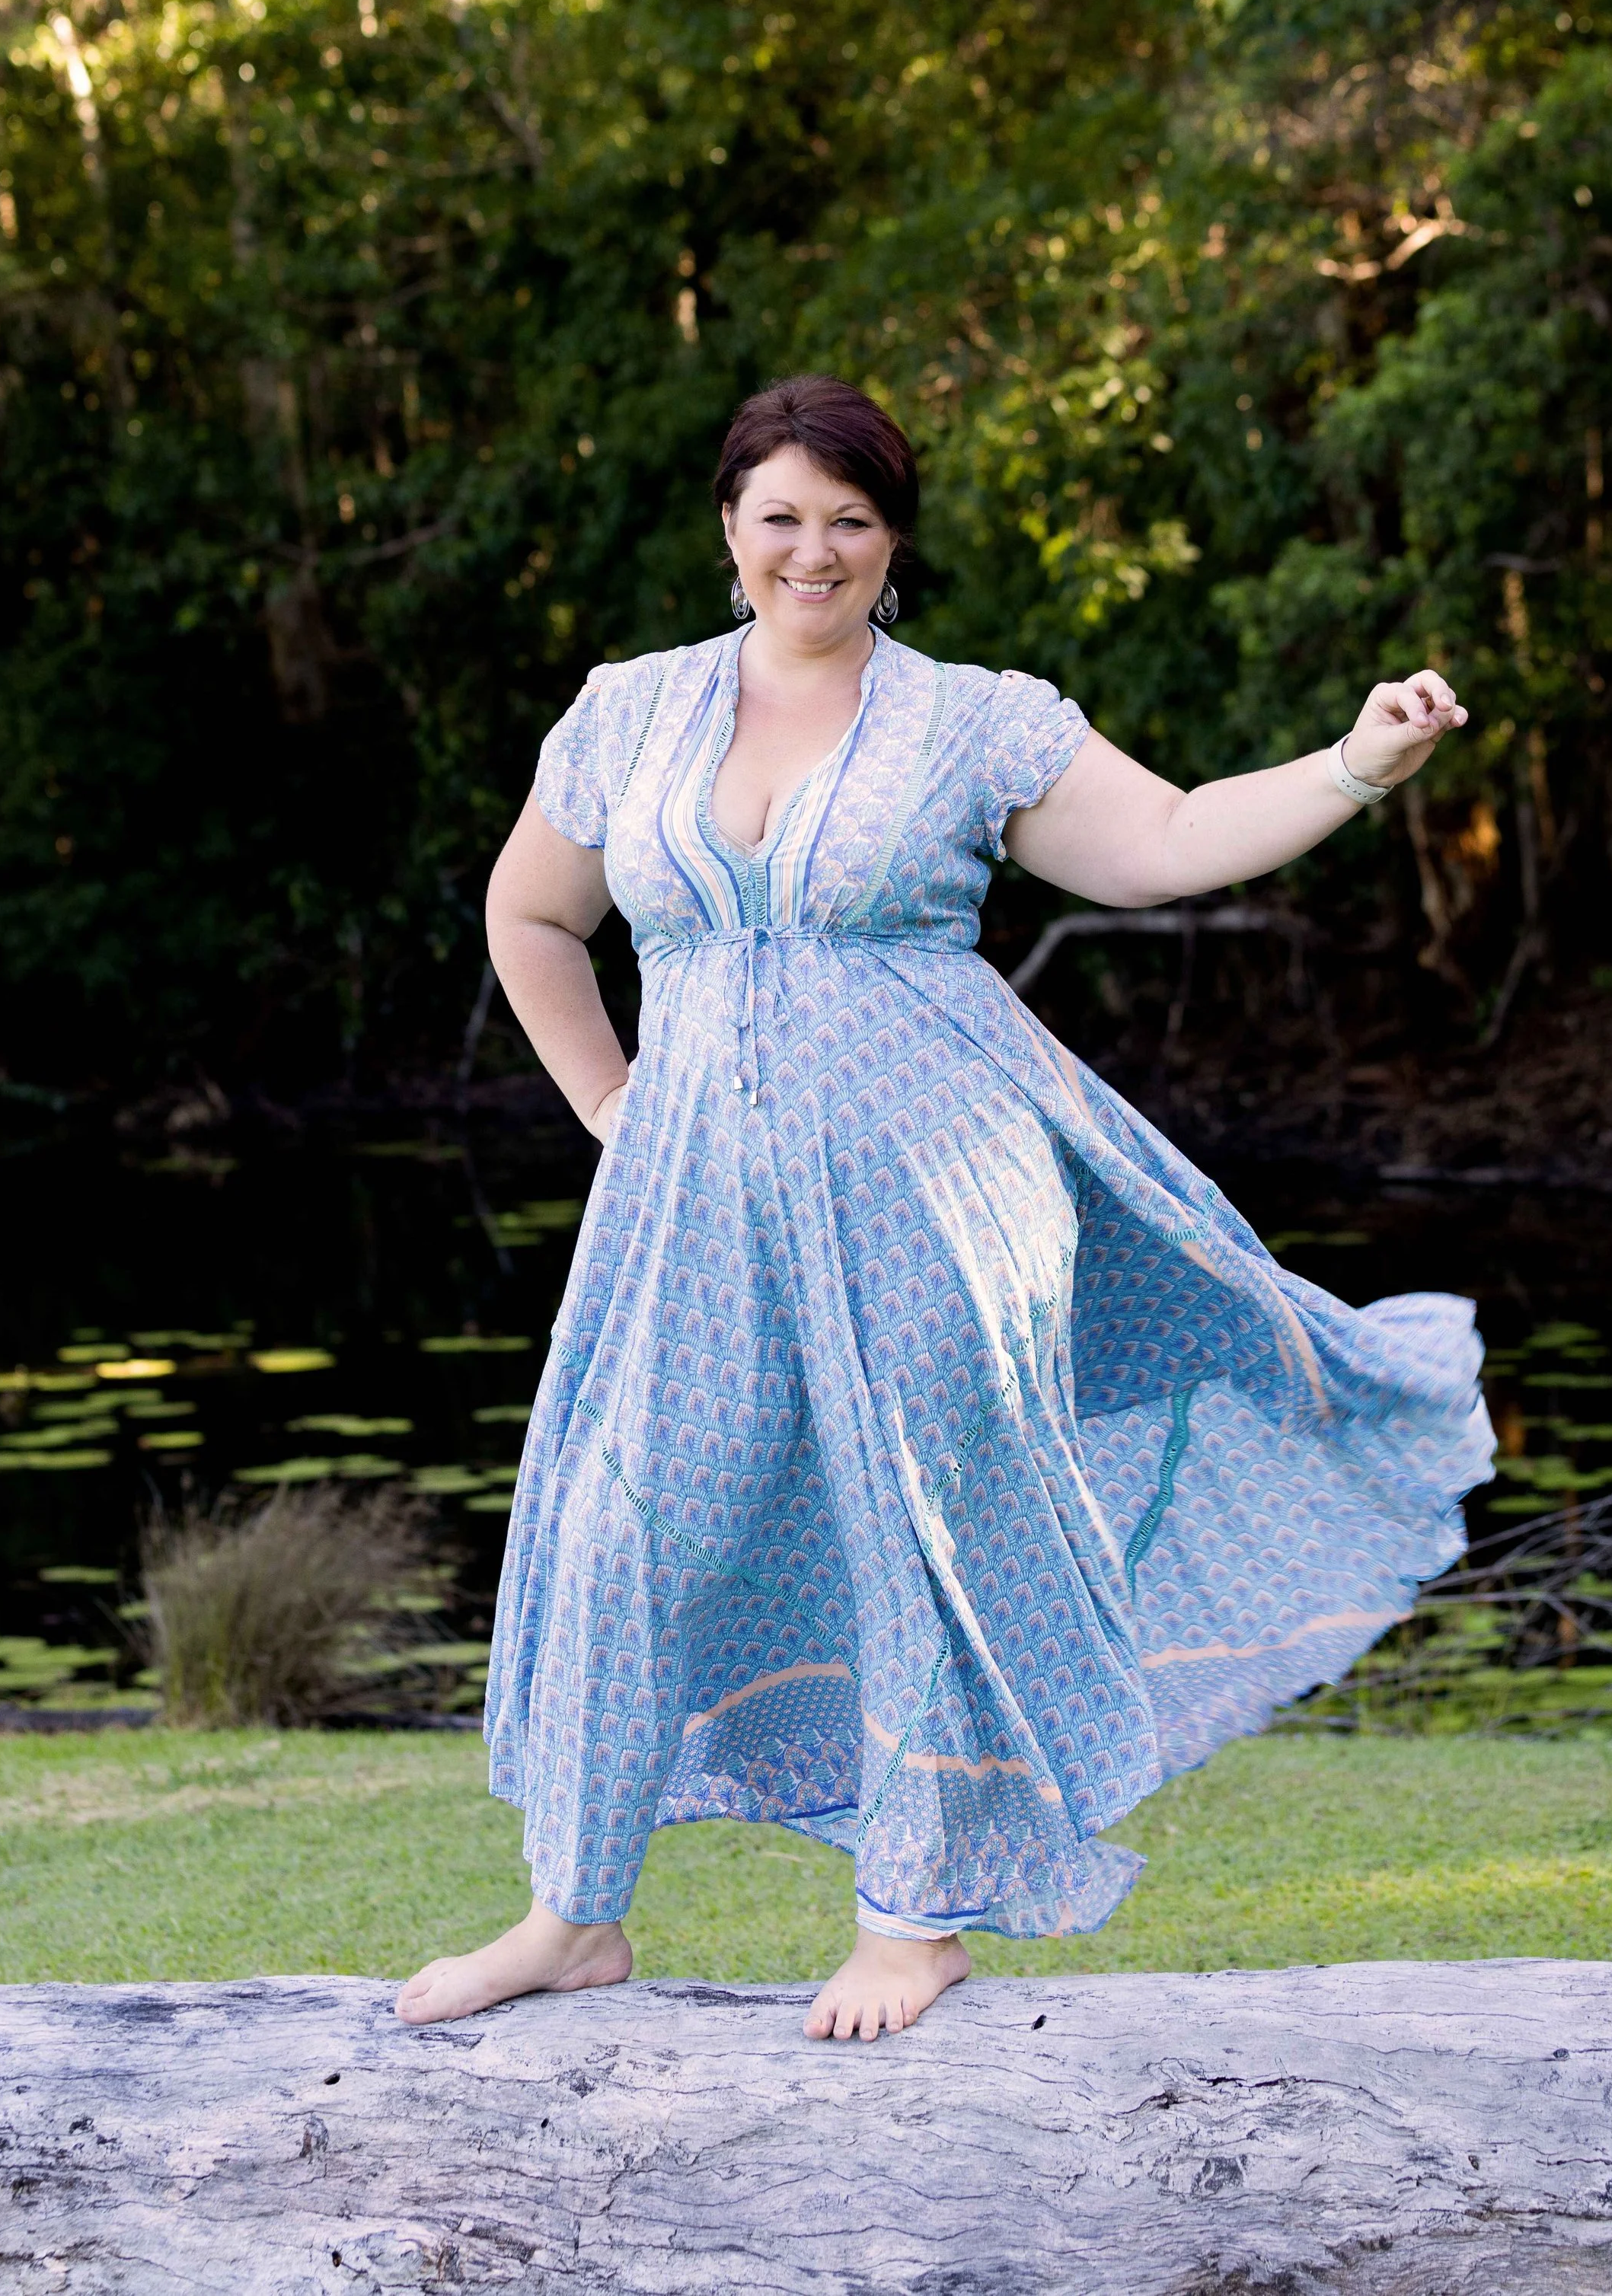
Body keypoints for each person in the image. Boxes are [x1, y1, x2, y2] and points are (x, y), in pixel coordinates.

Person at [397, 375, 1491, 2043]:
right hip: (690, 1204)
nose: (810, 550)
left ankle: (913, 1914)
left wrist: (1357, 758)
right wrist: (615, 1104)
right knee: (624, 1522)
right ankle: (573, 1911)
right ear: (728, 530)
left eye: (846, 518)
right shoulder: (629, 709)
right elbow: (532, 916)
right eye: (779, 515)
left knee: (921, 1516)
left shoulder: (974, 718)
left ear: (889, 540)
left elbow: (1169, 841)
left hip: (936, 1177)